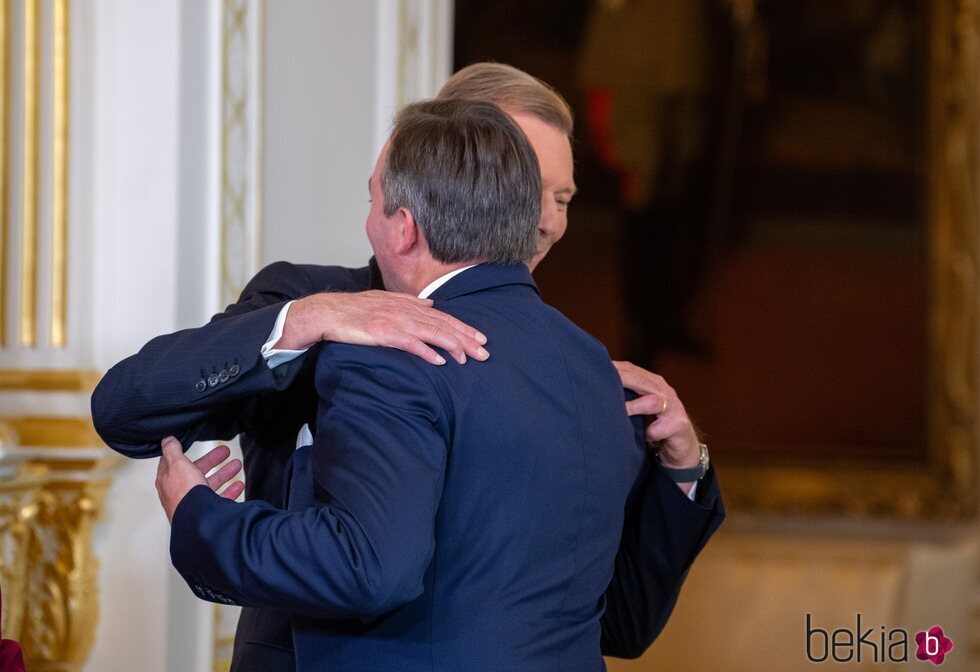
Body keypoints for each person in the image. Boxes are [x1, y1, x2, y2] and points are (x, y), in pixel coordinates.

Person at [91, 64, 723, 670]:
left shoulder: (574, 363)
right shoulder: (306, 303)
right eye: (521, 180)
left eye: (560, 196)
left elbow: (620, 623)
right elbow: (125, 411)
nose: (546, 221)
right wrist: (311, 319)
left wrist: (683, 469)